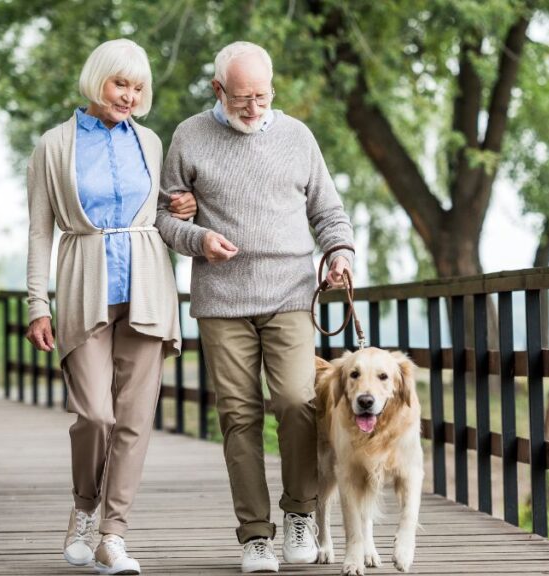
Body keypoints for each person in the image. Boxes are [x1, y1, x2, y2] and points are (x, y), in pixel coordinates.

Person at [155, 41, 355, 574]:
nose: (253, 108)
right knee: (238, 414)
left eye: (262, 97)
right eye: (242, 98)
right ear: (219, 90)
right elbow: (162, 216)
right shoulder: (190, 136)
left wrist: (339, 253)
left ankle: (300, 513)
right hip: (222, 298)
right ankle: (254, 535)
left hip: (289, 291)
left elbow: (328, 211)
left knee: (296, 401)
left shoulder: (297, 136)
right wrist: (198, 239)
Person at [24, 38, 196, 575]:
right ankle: (82, 509)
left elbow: (156, 206)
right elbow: (39, 231)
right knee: (96, 414)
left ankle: (112, 535)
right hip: (84, 287)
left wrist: (180, 205)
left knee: (135, 420)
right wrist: (37, 302)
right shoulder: (55, 146)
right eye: (121, 83)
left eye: (138, 87)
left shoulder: (150, 140)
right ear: (98, 79)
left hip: (147, 284)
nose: (129, 95)